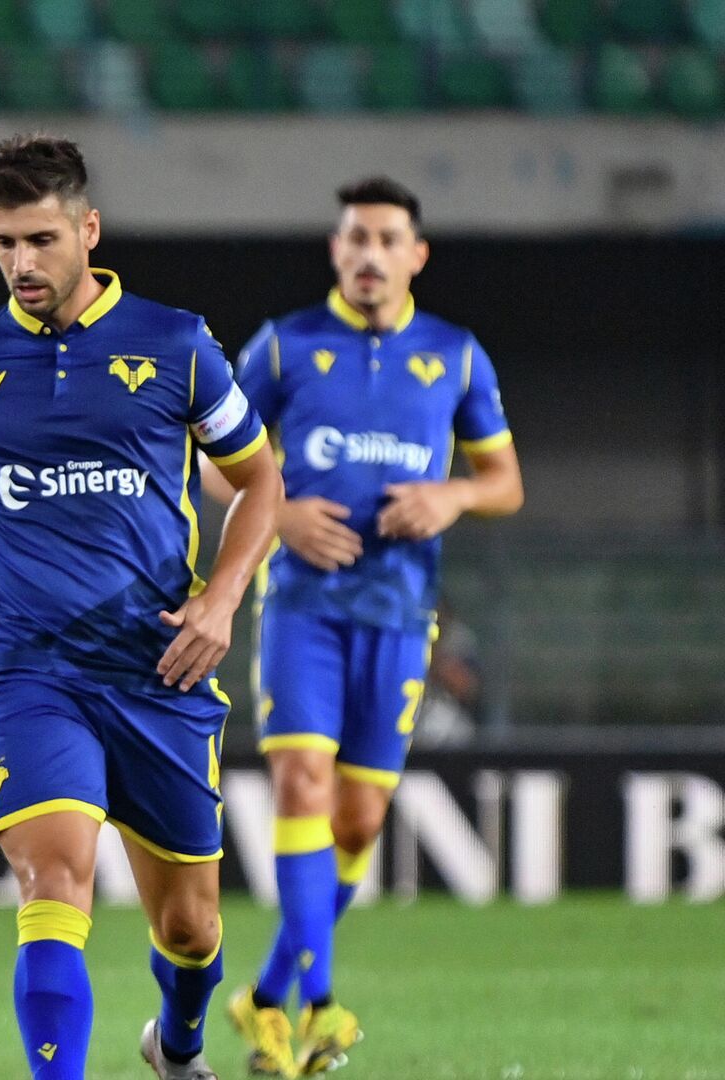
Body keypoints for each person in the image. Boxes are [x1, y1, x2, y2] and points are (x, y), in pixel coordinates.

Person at [0, 135, 282, 1080]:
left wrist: (223, 600)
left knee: (190, 930)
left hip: (160, 669)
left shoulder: (176, 344)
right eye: (1, 244)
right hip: (31, 669)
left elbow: (261, 481)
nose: (21, 264)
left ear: (87, 229)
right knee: (53, 876)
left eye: (38, 239)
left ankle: (176, 1043)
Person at [208, 177, 523, 1077]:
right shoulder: (285, 346)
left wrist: (454, 493)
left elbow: (506, 481)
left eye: (387, 238)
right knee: (302, 781)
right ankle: (320, 1005)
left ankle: (264, 996)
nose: (369, 254)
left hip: (399, 613)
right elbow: (216, 470)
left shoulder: (456, 356)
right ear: (336, 251)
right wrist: (286, 511)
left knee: (356, 821)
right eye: (355, 238)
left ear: (416, 255)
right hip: (303, 605)